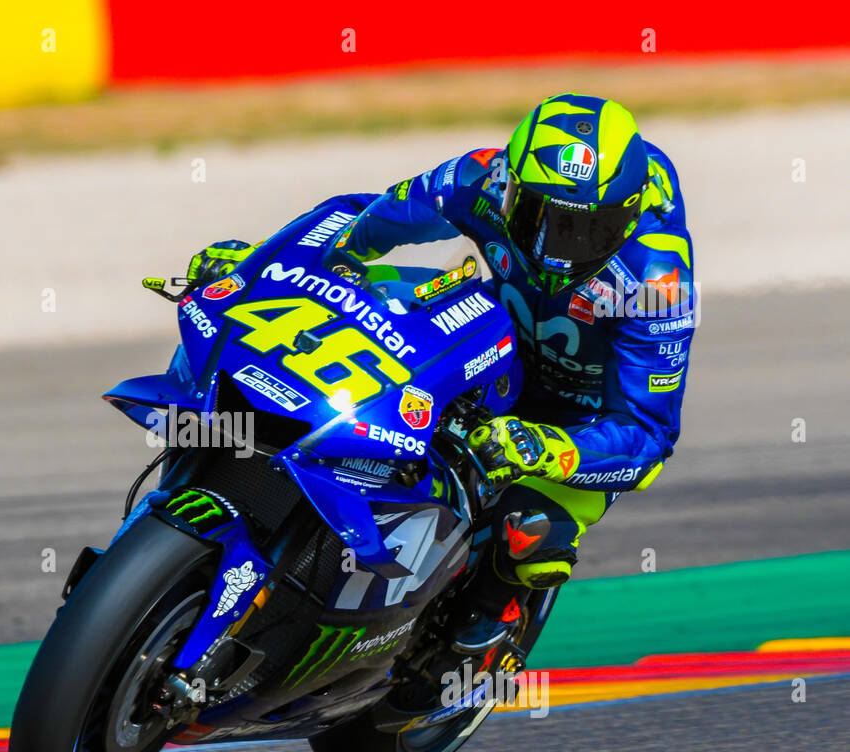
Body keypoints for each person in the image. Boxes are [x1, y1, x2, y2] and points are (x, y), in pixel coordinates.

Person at [185, 93, 696, 653]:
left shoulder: (657, 279)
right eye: (542, 219)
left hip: (579, 421)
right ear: (510, 188)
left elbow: (648, 434)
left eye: (589, 231)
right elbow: (370, 219)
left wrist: (549, 449)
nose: (560, 251)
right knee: (372, 333)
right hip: (492, 349)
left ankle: (475, 644)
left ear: (628, 214)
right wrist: (260, 266)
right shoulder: (478, 179)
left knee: (528, 534)